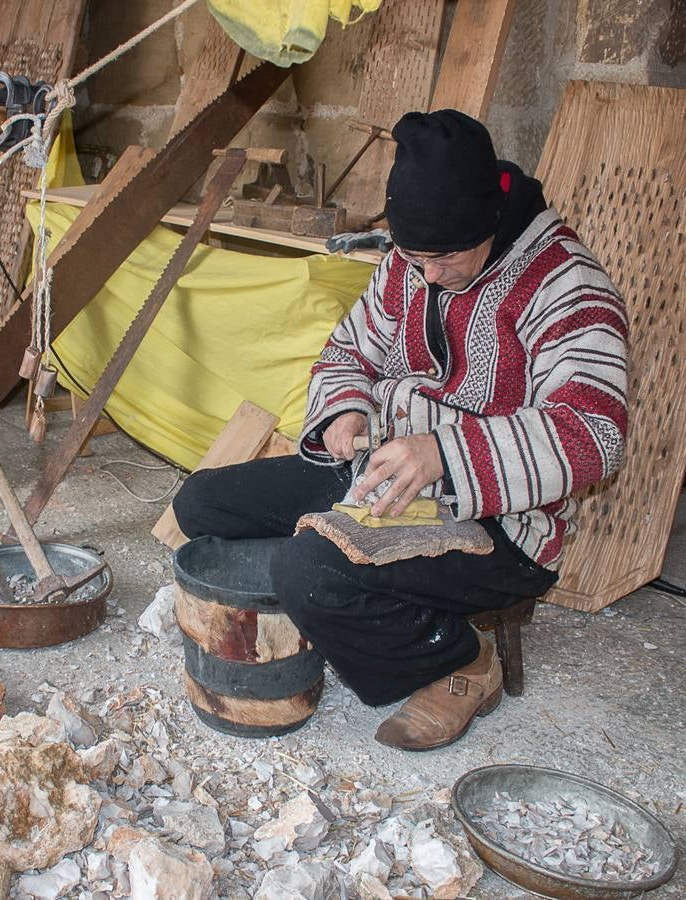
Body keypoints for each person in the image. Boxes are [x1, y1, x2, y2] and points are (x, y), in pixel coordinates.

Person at [172, 109, 628, 751]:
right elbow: (349, 350)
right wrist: (344, 408)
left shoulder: (567, 285)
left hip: (500, 523)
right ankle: (346, 606)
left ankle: (460, 662)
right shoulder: (409, 266)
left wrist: (444, 452)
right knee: (201, 503)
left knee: (308, 571)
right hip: (383, 477)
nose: (428, 275)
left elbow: (593, 432)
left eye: (443, 257)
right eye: (415, 256)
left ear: (489, 223)